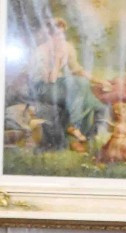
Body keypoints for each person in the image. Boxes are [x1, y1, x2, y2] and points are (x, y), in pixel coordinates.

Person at [31, 19, 107, 148]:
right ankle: (73, 125)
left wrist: (98, 80)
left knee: (97, 104)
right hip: (43, 87)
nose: (60, 38)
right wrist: (57, 59)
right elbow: (51, 80)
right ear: (49, 35)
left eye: (62, 34)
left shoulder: (67, 47)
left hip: (63, 84)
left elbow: (77, 69)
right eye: (57, 35)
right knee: (78, 84)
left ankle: (88, 139)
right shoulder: (41, 51)